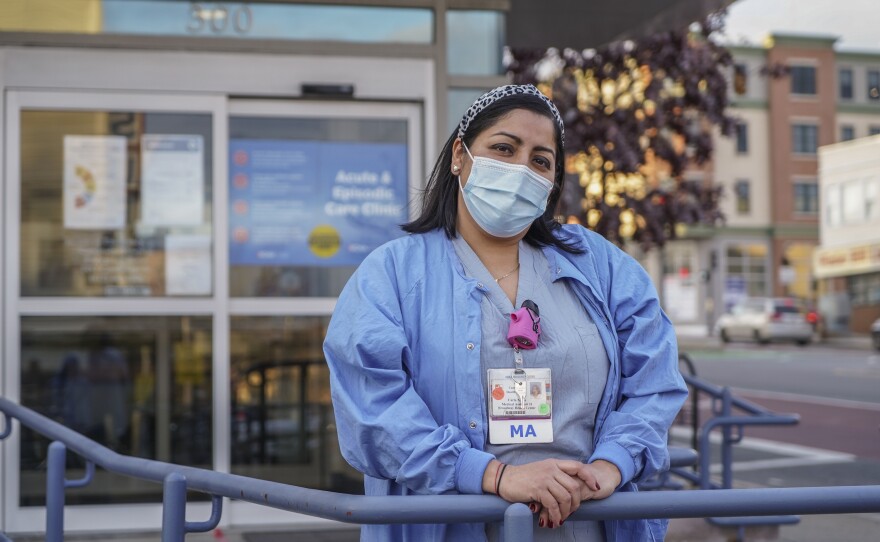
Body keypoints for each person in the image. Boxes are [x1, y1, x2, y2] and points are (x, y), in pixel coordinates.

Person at [323, 84, 688, 541]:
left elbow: (655, 379)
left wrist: (612, 464)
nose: (520, 169)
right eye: (503, 148)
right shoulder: (393, 274)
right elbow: (373, 409)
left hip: (585, 525)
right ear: (460, 155)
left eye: (540, 160)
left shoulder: (599, 264)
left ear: (553, 181)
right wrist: (494, 476)